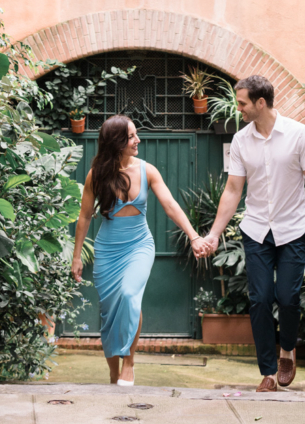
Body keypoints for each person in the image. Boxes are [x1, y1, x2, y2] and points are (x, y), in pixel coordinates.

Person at [199, 75, 305, 392]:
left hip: (294, 229)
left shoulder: (298, 134)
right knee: (259, 299)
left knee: (288, 298)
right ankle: (269, 371)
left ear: (260, 103)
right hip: (256, 230)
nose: (237, 108)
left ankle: (287, 349)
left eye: (241, 103)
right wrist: (215, 233)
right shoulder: (241, 141)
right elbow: (232, 189)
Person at [72, 114, 209, 386]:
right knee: (109, 311)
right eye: (132, 136)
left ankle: (129, 362)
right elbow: (85, 216)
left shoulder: (147, 170)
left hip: (139, 245)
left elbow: (170, 205)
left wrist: (193, 236)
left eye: (136, 134)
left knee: (129, 294)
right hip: (107, 250)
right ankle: (113, 369)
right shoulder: (96, 175)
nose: (138, 140)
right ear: (116, 142)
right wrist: (77, 256)